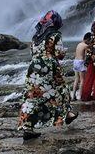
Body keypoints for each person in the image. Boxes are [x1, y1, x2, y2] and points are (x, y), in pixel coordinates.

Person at [18, 10, 77, 141]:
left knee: (33, 95)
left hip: (34, 67)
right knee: (60, 90)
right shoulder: (55, 35)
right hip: (49, 66)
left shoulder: (35, 37)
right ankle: (67, 115)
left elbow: (32, 53)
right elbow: (59, 54)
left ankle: (27, 127)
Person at [72, 32, 91, 100]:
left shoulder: (79, 44)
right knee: (82, 80)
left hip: (75, 61)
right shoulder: (86, 46)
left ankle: (73, 95)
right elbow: (86, 56)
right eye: (89, 41)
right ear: (88, 39)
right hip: (81, 62)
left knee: (76, 79)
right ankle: (80, 96)